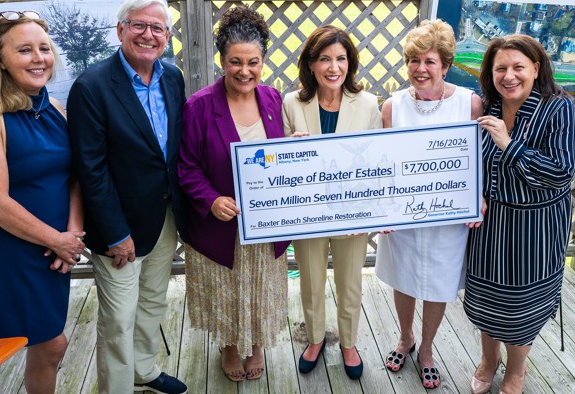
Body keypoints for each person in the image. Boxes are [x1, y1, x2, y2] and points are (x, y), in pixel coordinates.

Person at [0, 11, 85, 394]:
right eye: (24, 50)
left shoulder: (54, 108)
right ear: (0, 59)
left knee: (49, 341)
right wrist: (55, 240)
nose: (38, 58)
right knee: (51, 344)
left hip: (55, 247)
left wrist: (71, 236)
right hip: (14, 251)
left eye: (44, 49)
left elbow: (75, 177)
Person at [66, 0, 188, 392]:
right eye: (139, 26)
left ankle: (145, 371)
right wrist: (117, 232)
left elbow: (173, 151)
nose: (149, 35)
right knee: (119, 317)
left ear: (167, 38)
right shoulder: (91, 87)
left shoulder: (173, 77)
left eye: (158, 29)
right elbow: (91, 170)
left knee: (153, 301)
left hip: (165, 217)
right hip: (119, 228)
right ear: (120, 31)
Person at [465, 34, 575, 394]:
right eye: (500, 68)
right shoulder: (489, 105)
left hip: (535, 227)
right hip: (491, 224)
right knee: (487, 297)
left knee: (521, 306)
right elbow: (475, 163)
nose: (509, 75)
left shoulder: (559, 108)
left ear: (536, 68)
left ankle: (517, 369)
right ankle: (489, 360)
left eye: (518, 67)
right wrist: (476, 192)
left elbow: (562, 171)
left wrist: (509, 143)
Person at [177, 5, 290, 383]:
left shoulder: (273, 100)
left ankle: (256, 342)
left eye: (253, 62)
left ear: (263, 61)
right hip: (220, 225)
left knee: (259, 288)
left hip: (265, 224)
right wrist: (211, 199)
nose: (245, 71)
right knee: (226, 290)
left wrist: (297, 149)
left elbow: (279, 156)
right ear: (221, 61)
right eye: (235, 62)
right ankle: (228, 345)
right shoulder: (199, 106)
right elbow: (186, 166)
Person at [374, 19, 483, 390]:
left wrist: (476, 197)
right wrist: (384, 207)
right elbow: (384, 164)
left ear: (446, 65)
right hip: (404, 216)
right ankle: (405, 338)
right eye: (414, 60)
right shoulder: (392, 107)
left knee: (439, 283)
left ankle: (427, 350)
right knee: (404, 276)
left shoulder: (469, 104)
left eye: (430, 61)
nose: (421, 69)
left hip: (447, 218)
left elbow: (477, 161)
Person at [281, 25, 381, 380]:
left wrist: (374, 210)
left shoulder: (368, 104)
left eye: (340, 58)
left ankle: (349, 342)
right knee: (309, 279)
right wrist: (291, 145)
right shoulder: (292, 102)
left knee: (351, 281)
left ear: (350, 64)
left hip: (351, 212)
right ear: (310, 63)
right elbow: (279, 161)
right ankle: (315, 338)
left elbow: (377, 161)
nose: (333, 67)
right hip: (308, 213)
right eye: (324, 58)